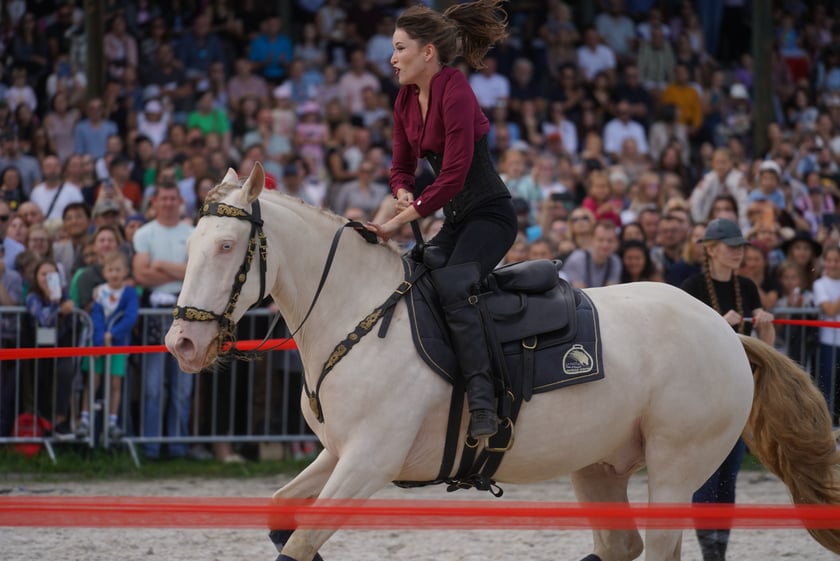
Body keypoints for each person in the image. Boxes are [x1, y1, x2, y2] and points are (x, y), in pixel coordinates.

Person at [363, 1, 515, 441]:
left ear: (427, 52)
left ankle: (485, 401)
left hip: (491, 215)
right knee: (415, 279)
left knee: (452, 285)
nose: (392, 58)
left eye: (400, 48)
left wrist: (398, 221)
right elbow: (400, 165)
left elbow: (454, 177)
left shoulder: (456, 89)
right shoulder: (405, 98)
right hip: (455, 218)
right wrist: (402, 190)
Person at [680, 218, 775, 561]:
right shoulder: (691, 287)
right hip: (702, 393)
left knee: (729, 475)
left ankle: (719, 551)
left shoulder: (747, 287)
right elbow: (683, 345)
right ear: (711, 249)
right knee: (707, 472)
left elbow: (766, 350)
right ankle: (710, 551)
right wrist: (719, 326)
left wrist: (766, 328)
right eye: (731, 246)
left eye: (740, 247)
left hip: (737, 390)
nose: (738, 252)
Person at [132, 181, 195, 459]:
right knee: (154, 386)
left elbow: (196, 272)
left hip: (185, 313)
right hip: (155, 315)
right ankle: (151, 447)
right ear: (155, 201)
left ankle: (178, 447)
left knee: (182, 387)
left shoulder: (193, 233)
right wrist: (181, 272)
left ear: (179, 201)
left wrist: (161, 266)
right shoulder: (145, 233)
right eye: (163, 198)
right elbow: (141, 275)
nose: (168, 203)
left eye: (172, 198)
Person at [76, 250, 138, 441]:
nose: (114, 273)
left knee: (115, 383)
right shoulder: (100, 292)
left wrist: (114, 333)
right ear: (104, 272)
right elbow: (96, 316)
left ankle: (112, 421)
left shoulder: (129, 293)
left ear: (126, 271)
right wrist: (99, 339)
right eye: (110, 270)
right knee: (92, 381)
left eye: (118, 269)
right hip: (98, 345)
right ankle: (85, 418)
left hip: (118, 346)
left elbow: (130, 317)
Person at [812, 245, 840, 422]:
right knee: (827, 387)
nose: (833, 264)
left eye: (836, 260)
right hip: (828, 341)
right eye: (829, 260)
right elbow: (830, 310)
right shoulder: (819, 284)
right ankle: (826, 425)